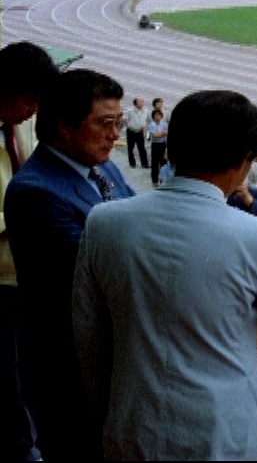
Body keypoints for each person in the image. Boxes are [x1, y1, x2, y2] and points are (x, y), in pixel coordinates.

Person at [71, 90, 257, 460]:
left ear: (172, 146)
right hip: (225, 436)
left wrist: (112, 415)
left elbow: (89, 337)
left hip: (132, 429)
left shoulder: (103, 222)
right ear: (245, 160)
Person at [4, 68, 135, 460]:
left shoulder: (103, 165)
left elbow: (135, 216)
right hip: (70, 369)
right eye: (105, 124)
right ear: (63, 126)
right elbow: (103, 272)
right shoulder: (37, 191)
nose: (115, 135)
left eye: (119, 123)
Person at [0, 40, 59, 462]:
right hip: (2, 276)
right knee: (9, 374)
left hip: (32, 273)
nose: (33, 110)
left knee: (34, 366)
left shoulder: (21, 125)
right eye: (29, 99)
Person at [124, 96, 149, 168]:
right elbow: (125, 118)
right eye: (140, 101)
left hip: (140, 132)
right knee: (130, 148)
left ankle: (144, 163)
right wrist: (129, 125)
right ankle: (132, 163)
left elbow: (147, 119)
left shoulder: (145, 111)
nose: (142, 103)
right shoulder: (130, 111)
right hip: (131, 131)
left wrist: (145, 125)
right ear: (136, 103)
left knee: (142, 148)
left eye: (143, 101)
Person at [148, 108, 168, 186]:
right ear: (153, 116)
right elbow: (155, 135)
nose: (158, 117)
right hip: (155, 145)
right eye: (156, 115)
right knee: (155, 163)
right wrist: (163, 132)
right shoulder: (151, 124)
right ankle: (154, 180)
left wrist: (161, 133)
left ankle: (163, 180)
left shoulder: (164, 123)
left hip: (163, 144)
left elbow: (167, 132)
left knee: (164, 162)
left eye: (159, 115)